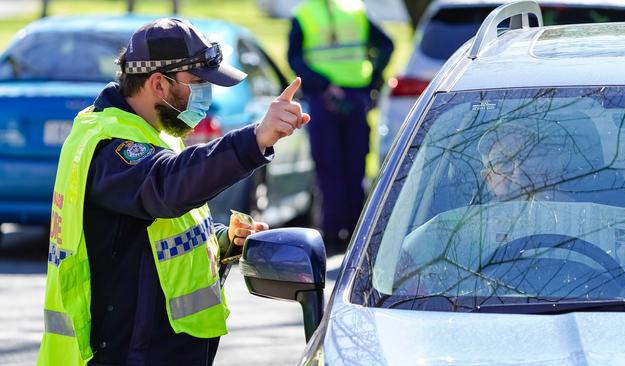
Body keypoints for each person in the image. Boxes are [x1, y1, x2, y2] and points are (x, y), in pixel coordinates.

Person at [37, 18, 309, 366]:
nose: (206, 96)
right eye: (198, 83)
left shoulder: (155, 133)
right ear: (159, 84)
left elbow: (152, 235)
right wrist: (255, 139)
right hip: (125, 354)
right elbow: (165, 187)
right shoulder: (111, 146)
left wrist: (223, 241)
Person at [288, 0, 394, 252]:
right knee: (354, 166)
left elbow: (294, 58)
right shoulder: (357, 9)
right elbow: (387, 45)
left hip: (325, 100)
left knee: (330, 166)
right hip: (355, 97)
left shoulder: (304, 14)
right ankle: (357, 231)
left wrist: (322, 84)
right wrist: (373, 81)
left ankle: (334, 232)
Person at [477, 120, 572, 202]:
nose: (518, 171)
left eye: (528, 157)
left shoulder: (571, 211)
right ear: (488, 178)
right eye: (504, 161)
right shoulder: (475, 219)